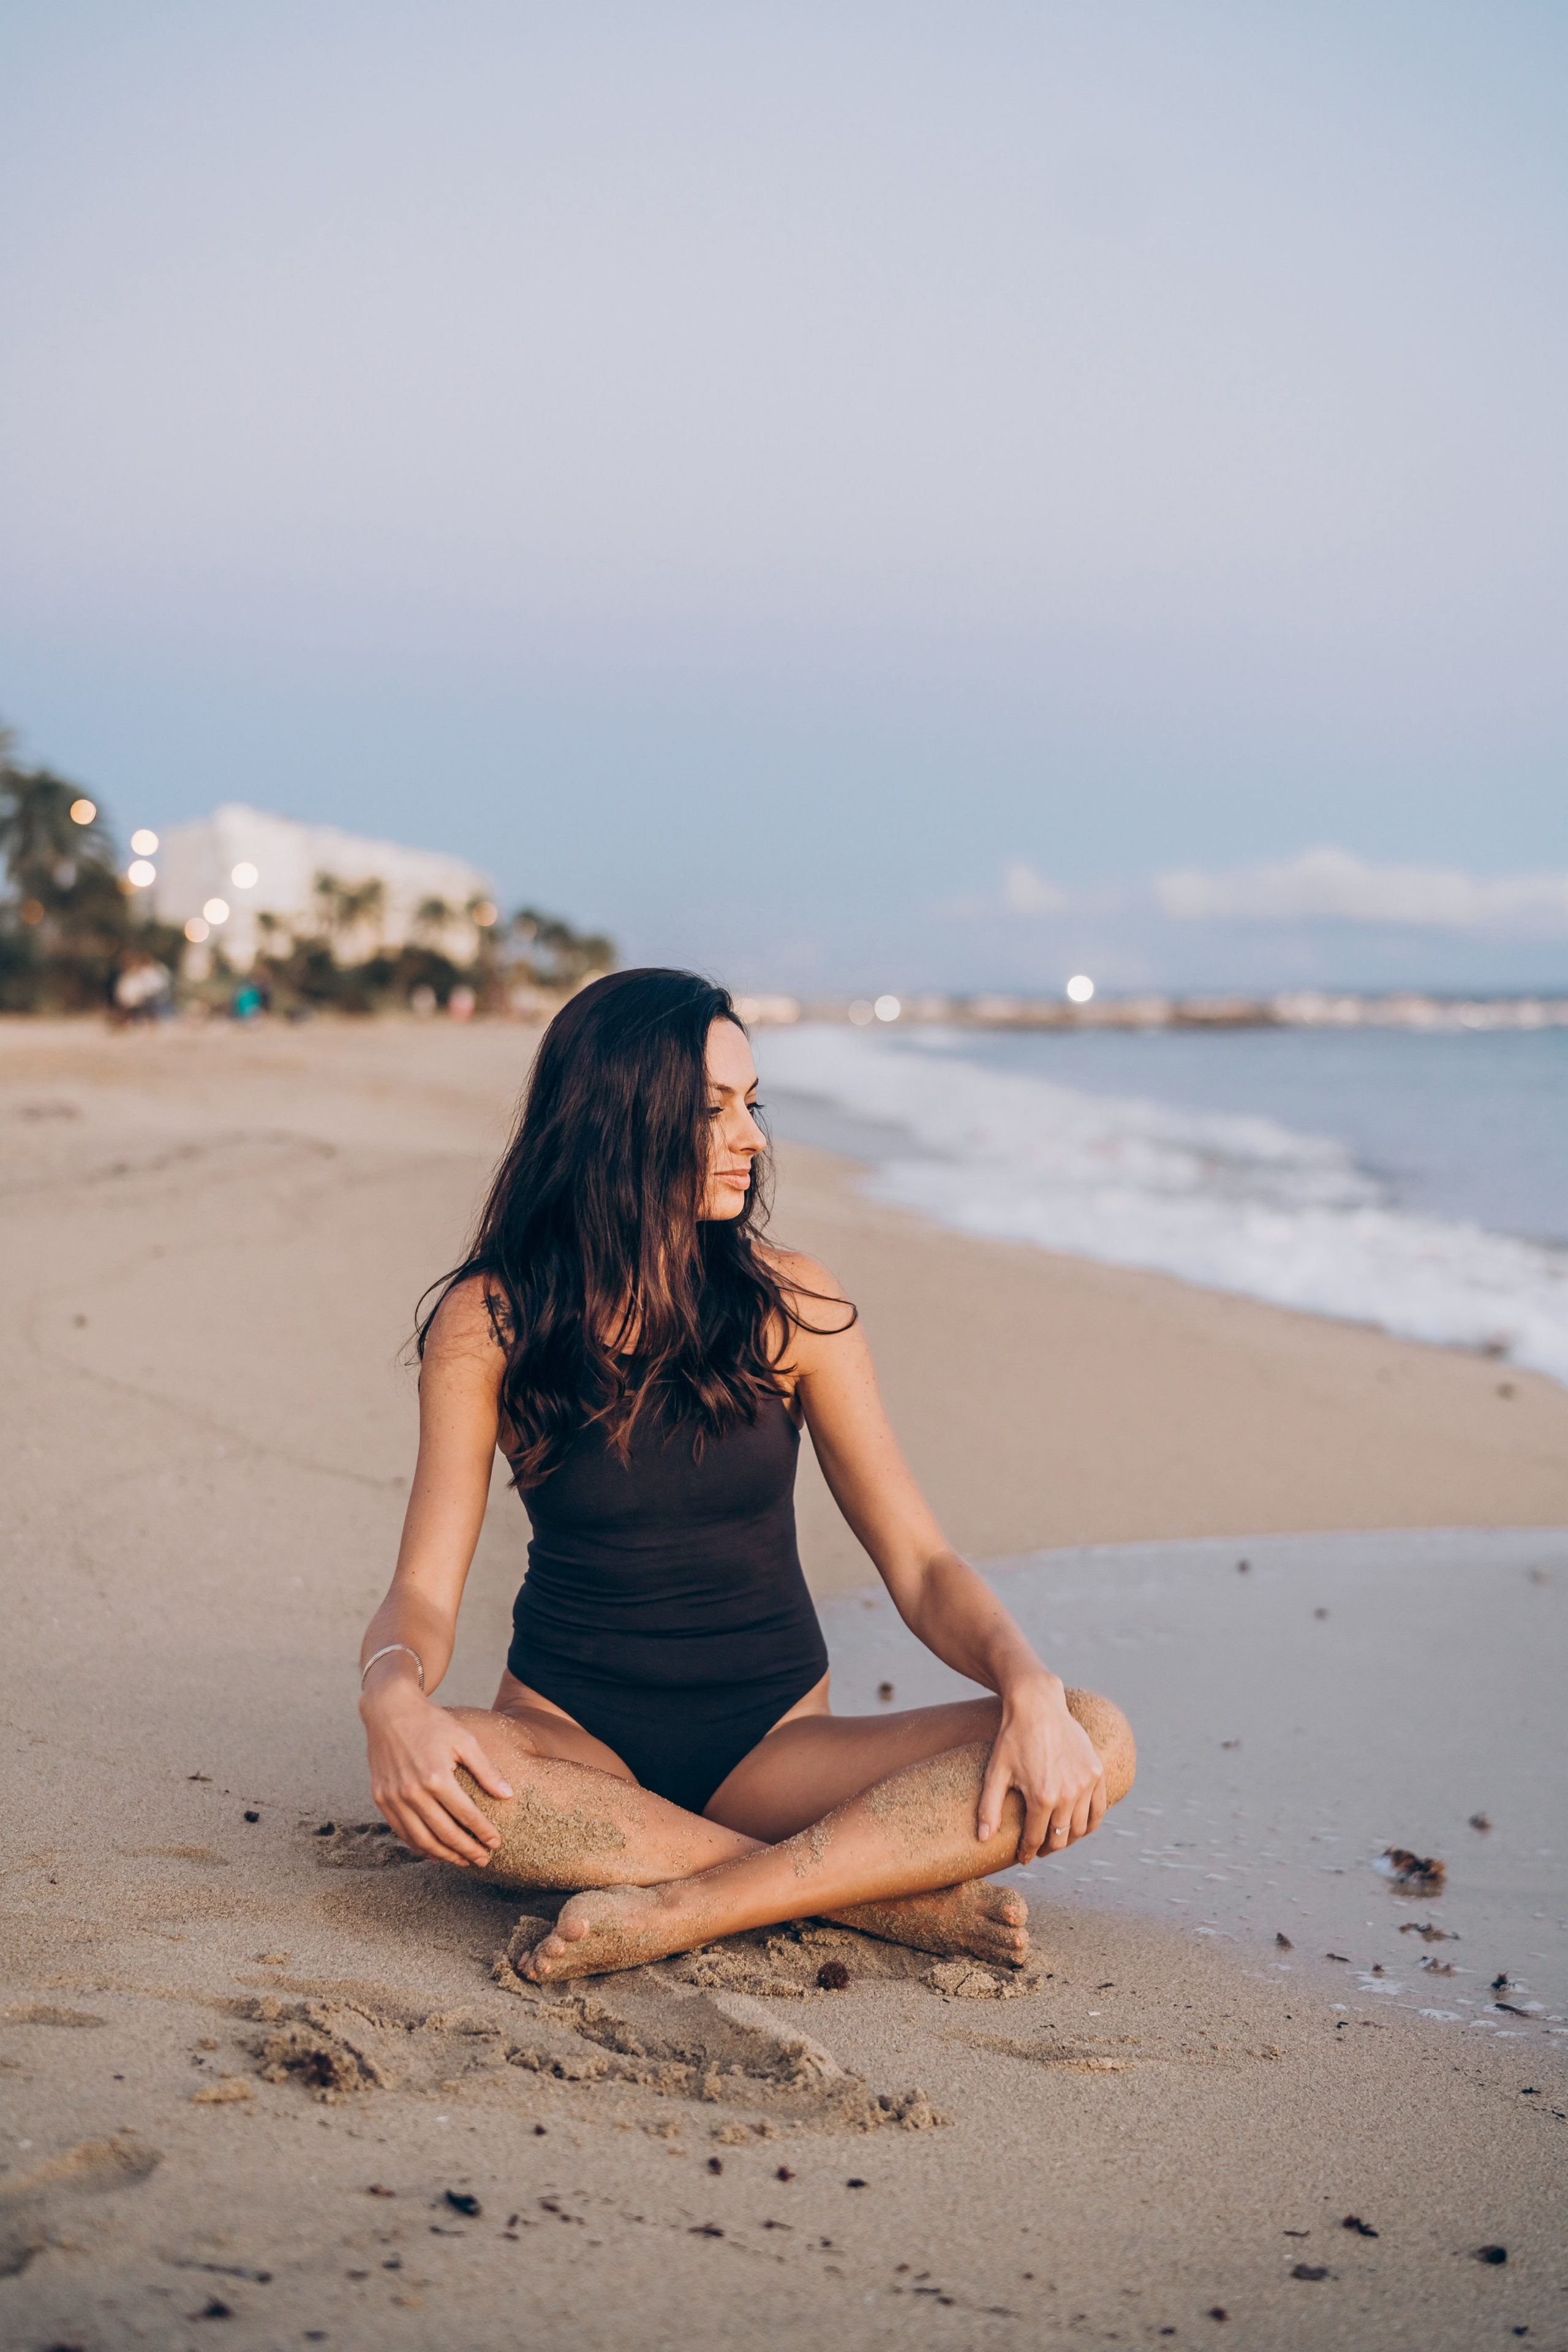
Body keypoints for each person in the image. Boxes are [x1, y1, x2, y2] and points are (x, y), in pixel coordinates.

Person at [358, 969, 1134, 1983]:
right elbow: (421, 1592)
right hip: (568, 1742)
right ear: (621, 1122)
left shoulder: (790, 1303)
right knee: (453, 1775)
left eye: (751, 1104)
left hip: (776, 1751)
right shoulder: (494, 1319)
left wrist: (1026, 1685)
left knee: (1093, 1734)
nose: (753, 1136)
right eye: (714, 1110)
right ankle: (880, 1898)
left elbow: (921, 1562)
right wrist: (391, 1701)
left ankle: (689, 1903)